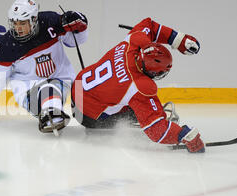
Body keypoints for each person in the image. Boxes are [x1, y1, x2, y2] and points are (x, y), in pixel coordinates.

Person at [71, 17, 205, 153]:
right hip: (85, 116)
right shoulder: (140, 86)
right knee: (142, 109)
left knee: (123, 96)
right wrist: (184, 135)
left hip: (76, 87)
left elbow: (149, 26)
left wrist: (179, 40)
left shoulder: (133, 41)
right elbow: (157, 130)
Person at [0, 0, 88, 134]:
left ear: (34, 19)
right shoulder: (6, 46)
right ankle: (51, 113)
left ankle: (54, 112)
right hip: (29, 90)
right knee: (48, 88)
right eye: (14, 23)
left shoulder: (50, 21)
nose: (18, 28)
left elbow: (74, 41)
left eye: (22, 23)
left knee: (85, 86)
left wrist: (80, 27)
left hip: (61, 79)